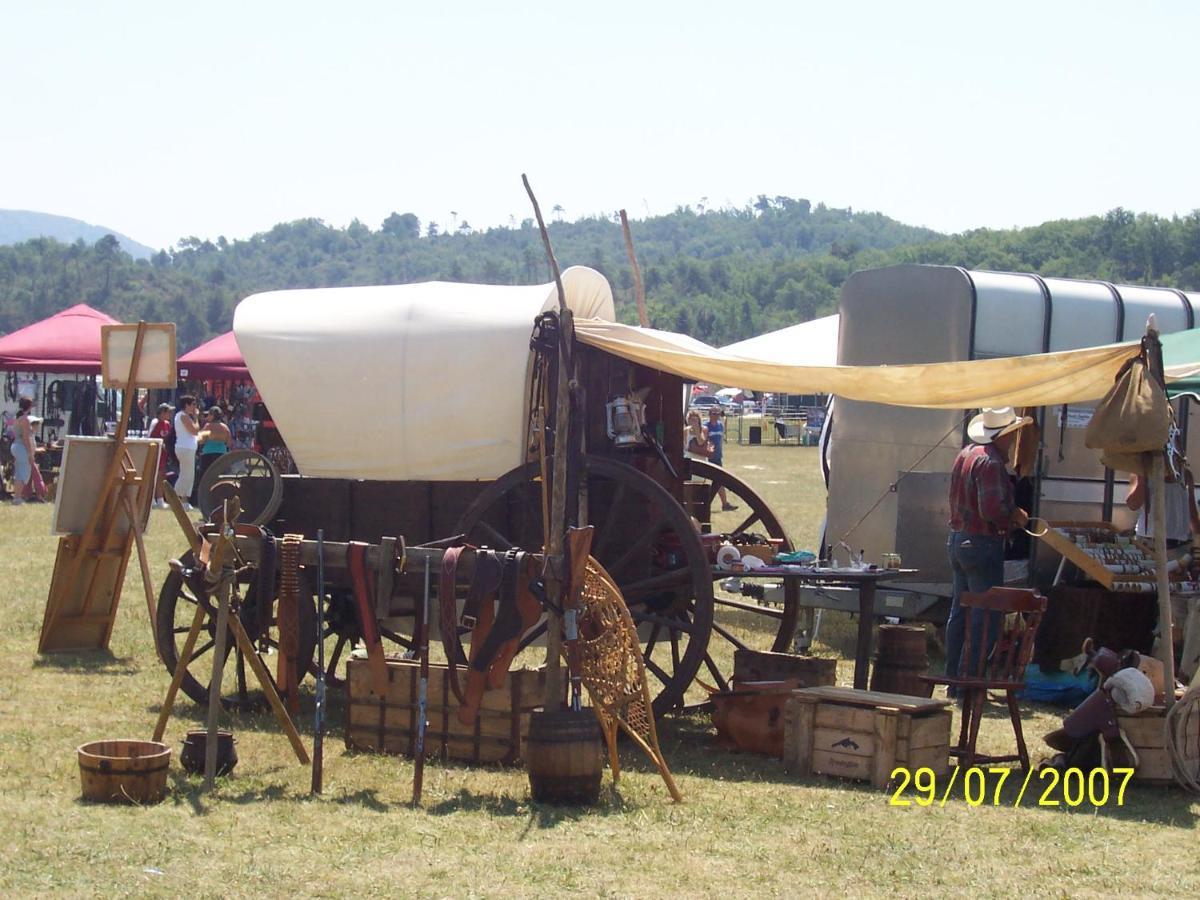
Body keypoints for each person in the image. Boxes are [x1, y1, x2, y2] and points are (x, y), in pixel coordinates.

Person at [944, 407, 1032, 688]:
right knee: (986, 615)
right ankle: (969, 679)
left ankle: (952, 676)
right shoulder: (992, 464)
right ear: (1004, 435)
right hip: (982, 543)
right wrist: (1015, 517)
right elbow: (991, 509)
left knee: (960, 610)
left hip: (959, 539)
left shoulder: (966, 454)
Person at [9, 398, 42, 504]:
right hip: (21, 447)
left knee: (19, 472)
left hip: (16, 446)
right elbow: (26, 437)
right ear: (29, 406)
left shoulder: (18, 417)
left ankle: (17, 497)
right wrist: (30, 453)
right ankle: (17, 497)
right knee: (24, 473)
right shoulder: (25, 419)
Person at [706, 407, 738, 511]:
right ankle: (708, 502)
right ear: (710, 414)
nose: (716, 416)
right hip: (709, 457)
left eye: (718, 414)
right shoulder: (706, 426)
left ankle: (724, 504)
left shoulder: (720, 425)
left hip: (718, 456)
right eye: (714, 413)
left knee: (719, 480)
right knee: (718, 480)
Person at [173, 395, 200, 510]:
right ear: (187, 405)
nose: (195, 407)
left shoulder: (184, 417)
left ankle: (184, 500)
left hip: (188, 448)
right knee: (186, 474)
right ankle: (175, 497)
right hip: (185, 448)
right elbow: (195, 430)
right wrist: (196, 418)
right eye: (193, 404)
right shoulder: (183, 416)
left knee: (188, 474)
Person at [196, 406, 232, 487]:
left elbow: (200, 441)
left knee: (205, 478)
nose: (207, 417)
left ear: (212, 416)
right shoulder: (225, 428)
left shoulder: (208, 426)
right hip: (221, 455)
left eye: (208, 414)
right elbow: (229, 443)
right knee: (220, 477)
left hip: (208, 455)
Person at [148, 403, 173, 509]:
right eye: (168, 412)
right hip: (155, 453)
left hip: (163, 455)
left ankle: (160, 499)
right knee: (154, 476)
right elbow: (149, 437)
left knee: (162, 476)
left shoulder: (167, 424)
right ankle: (151, 499)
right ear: (162, 412)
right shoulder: (155, 422)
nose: (170, 414)